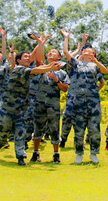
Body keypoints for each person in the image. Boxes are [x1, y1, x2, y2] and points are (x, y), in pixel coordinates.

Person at [0, 39, 62, 166]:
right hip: (8, 107)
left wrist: (50, 66)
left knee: (20, 132)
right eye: (25, 57)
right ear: (18, 60)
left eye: (29, 57)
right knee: (3, 131)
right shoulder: (18, 69)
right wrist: (50, 67)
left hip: (21, 108)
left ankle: (21, 156)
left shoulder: (29, 70)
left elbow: (39, 68)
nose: (29, 59)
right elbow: (37, 70)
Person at [61, 29, 108, 164]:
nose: (87, 51)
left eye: (91, 51)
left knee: (94, 128)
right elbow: (65, 52)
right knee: (79, 128)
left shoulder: (95, 65)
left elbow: (104, 71)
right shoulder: (77, 64)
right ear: (82, 52)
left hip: (93, 101)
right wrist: (66, 37)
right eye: (86, 50)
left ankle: (93, 153)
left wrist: (96, 61)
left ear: (94, 54)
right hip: (78, 100)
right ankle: (79, 153)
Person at [31, 35, 70, 163]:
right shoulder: (43, 68)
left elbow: (64, 89)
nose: (50, 53)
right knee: (38, 127)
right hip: (40, 102)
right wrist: (41, 43)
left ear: (58, 57)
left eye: (53, 52)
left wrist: (56, 80)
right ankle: (36, 152)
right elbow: (38, 60)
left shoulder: (62, 72)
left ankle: (56, 154)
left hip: (53, 104)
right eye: (49, 52)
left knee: (54, 128)